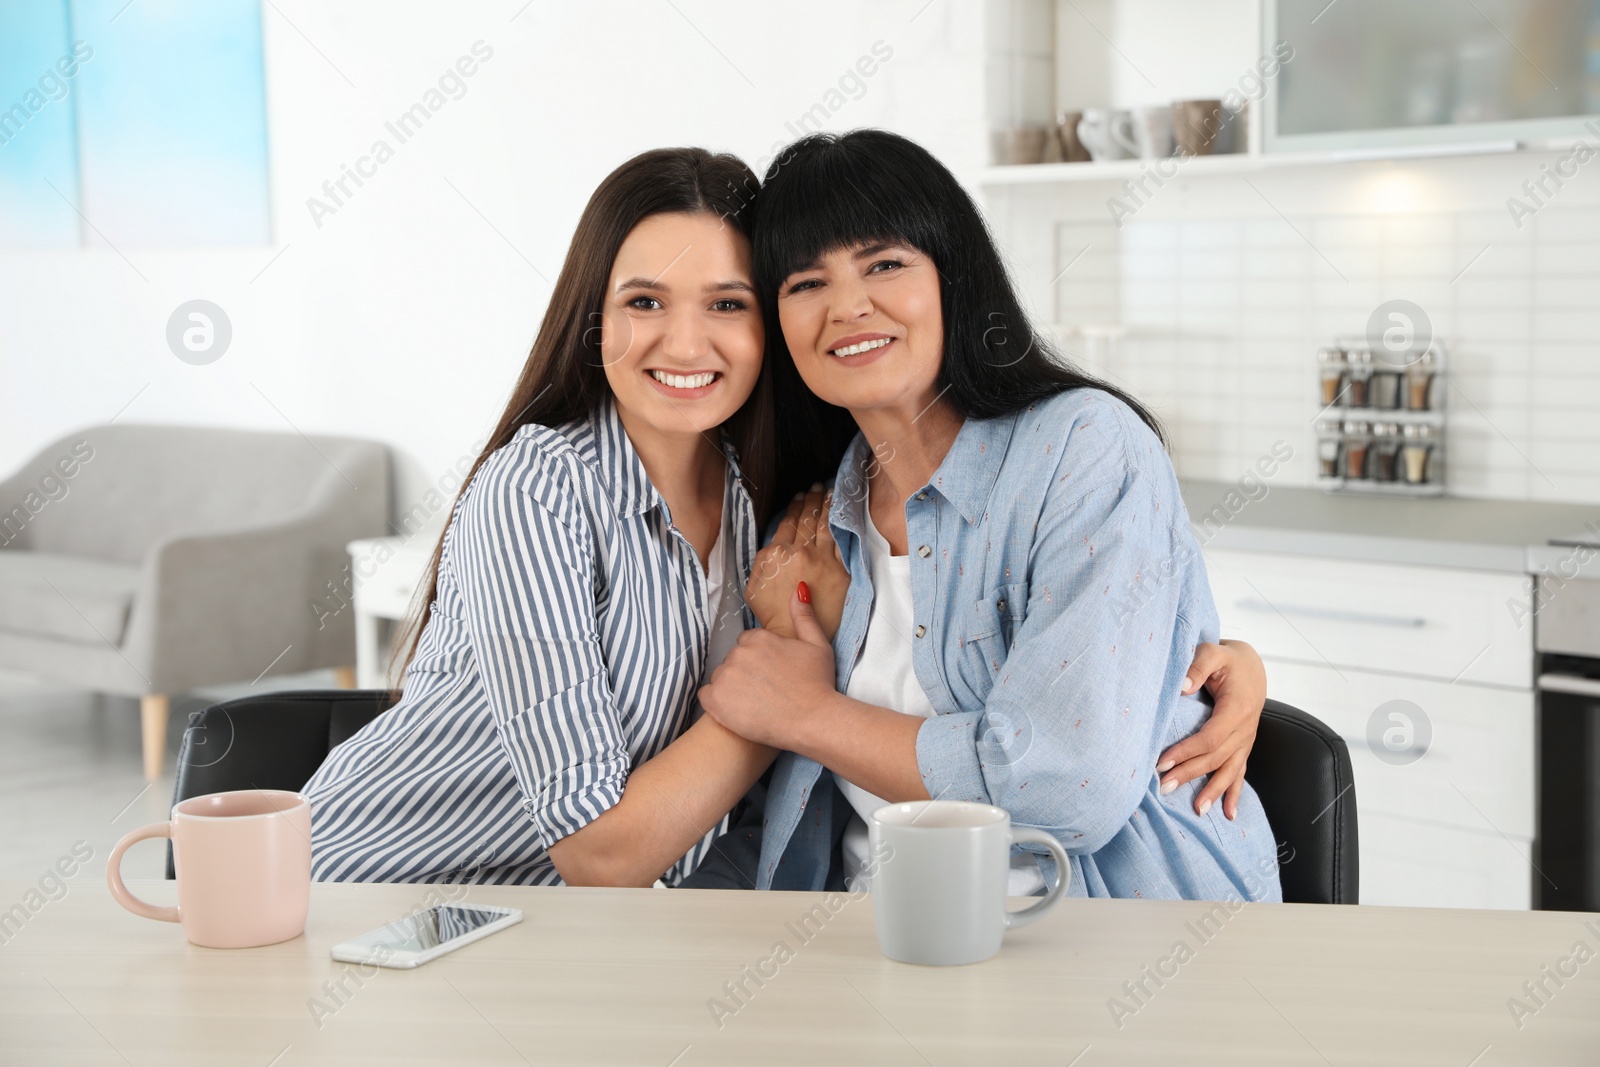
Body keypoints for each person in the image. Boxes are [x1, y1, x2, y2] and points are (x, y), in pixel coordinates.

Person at [304, 145, 1268, 889]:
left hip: (1077, 929)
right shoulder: (622, 493)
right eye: (806, 283)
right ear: (592, 318)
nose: (847, 308)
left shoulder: (794, 491)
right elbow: (637, 837)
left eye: (727, 301)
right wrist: (785, 712)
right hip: (393, 904)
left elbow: (1067, 751)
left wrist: (1219, 660)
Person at [697, 129, 1283, 902]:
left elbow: (1067, 785)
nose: (847, 306)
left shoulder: (1082, 446)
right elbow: (781, 811)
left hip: (1104, 940)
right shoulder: (813, 516)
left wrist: (810, 715)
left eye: (885, 264)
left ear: (954, 275)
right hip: (879, 940)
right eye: (806, 283)